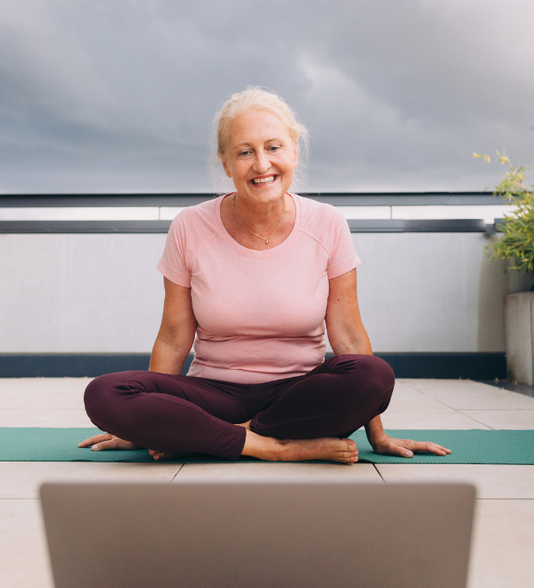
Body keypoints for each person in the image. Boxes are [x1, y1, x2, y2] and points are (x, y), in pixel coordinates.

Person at [80, 87, 450, 464]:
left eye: (273, 148)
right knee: (104, 393)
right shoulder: (190, 227)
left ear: (293, 151)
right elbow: (174, 340)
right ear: (225, 163)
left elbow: (350, 338)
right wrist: (142, 425)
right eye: (244, 152)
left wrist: (378, 434)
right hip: (214, 395)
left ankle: (215, 439)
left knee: (374, 375)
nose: (261, 165)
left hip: (299, 399)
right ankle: (274, 447)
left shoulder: (328, 224)